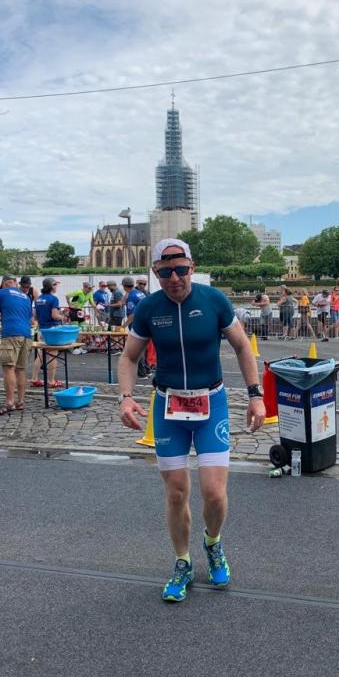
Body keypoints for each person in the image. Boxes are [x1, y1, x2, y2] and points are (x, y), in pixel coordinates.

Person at [118, 238, 266, 603]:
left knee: (214, 493)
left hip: (210, 403)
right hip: (168, 407)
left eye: (181, 270)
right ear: (155, 272)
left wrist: (255, 395)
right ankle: (182, 561)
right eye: (166, 272)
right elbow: (129, 357)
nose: (174, 278)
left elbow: (242, 346)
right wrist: (125, 397)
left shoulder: (213, 300)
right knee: (176, 492)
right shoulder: (149, 308)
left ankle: (212, 542)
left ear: (192, 268)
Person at [0, 275, 34, 415]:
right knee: (20, 369)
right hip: (26, 335)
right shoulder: (26, 297)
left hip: (10, 334)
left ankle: (9, 403)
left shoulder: (1, 293)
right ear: (15, 283)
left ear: (3, 283)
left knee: (9, 368)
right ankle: (20, 402)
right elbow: (31, 320)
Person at [31, 277, 64, 388]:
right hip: (52, 330)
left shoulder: (38, 299)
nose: (57, 287)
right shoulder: (54, 299)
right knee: (53, 355)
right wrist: (62, 316)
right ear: (52, 286)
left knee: (41, 355)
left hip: (42, 329)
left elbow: (35, 316)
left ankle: (34, 379)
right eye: (56, 285)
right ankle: (51, 381)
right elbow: (54, 316)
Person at [122, 276, 149, 378]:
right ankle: (147, 369)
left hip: (137, 325)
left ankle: (142, 372)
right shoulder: (140, 293)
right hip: (145, 323)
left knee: (138, 349)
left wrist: (123, 326)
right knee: (144, 349)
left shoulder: (132, 296)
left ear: (124, 286)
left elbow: (132, 314)